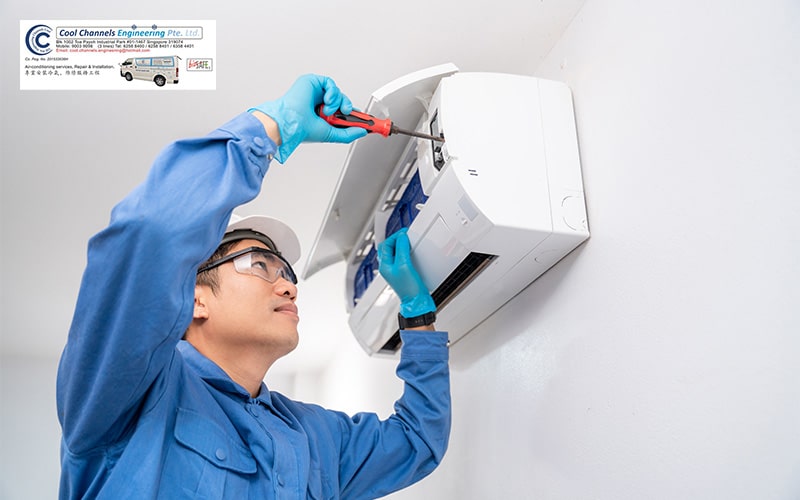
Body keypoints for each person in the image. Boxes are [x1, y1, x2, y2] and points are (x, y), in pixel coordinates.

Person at [57, 74, 450, 499]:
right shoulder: (133, 394)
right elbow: (152, 231)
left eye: (286, 272)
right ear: (195, 299)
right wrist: (271, 127)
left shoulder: (314, 436)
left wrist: (416, 313)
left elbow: (416, 441)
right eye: (260, 264)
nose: (288, 287)